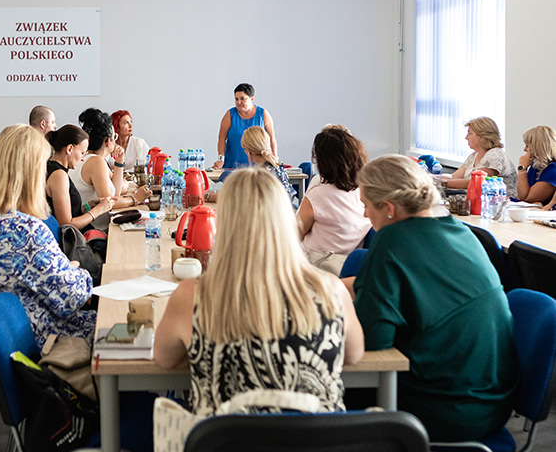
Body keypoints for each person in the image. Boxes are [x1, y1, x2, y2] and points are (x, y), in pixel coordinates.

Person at [154, 168, 363, 414]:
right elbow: (354, 355)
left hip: (223, 441)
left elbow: (164, 358)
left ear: (224, 225)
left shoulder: (194, 296)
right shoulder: (331, 291)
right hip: (319, 442)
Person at [352, 154, 517, 442]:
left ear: (389, 208)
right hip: (491, 404)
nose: (365, 215)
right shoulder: (462, 232)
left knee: (319, 391)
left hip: (439, 410)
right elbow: (421, 285)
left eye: (366, 206)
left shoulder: (393, 240)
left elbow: (373, 339)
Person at [0, 124, 96, 347]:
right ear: (32, 171)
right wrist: (76, 270)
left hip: (8, 337)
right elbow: (74, 298)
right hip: (48, 339)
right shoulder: (27, 230)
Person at [297, 125, 372, 275]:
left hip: (311, 267)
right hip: (347, 267)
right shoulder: (366, 192)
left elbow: (292, 234)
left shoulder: (319, 193)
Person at [70, 108, 149, 231]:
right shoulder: (96, 162)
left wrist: (119, 161)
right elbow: (109, 203)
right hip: (96, 230)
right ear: (108, 141)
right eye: (114, 136)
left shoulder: (93, 159)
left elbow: (115, 193)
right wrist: (135, 199)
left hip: (98, 226)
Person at [46, 124, 116, 232]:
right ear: (69, 149)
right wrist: (99, 210)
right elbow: (66, 224)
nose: (83, 159)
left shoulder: (54, 169)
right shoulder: (59, 175)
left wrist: (89, 206)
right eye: (82, 153)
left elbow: (67, 212)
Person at [440, 117, 517, 196]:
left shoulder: (495, 155)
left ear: (482, 136)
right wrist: (432, 178)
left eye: (470, 133)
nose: (466, 137)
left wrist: (441, 183)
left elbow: (475, 182)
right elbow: (454, 176)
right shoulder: (473, 156)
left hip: (500, 203)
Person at [213, 83, 276, 170]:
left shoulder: (263, 114)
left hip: (258, 166)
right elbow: (221, 139)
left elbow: (271, 139)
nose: (239, 102)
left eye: (242, 99)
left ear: (252, 99)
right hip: (232, 165)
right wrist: (221, 160)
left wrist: (275, 159)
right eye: (236, 99)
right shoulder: (229, 115)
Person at [516, 125, 556, 203]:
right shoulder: (536, 165)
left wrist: (522, 169)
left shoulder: (553, 170)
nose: (524, 150)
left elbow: (526, 198)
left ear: (538, 146)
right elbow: (520, 196)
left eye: (527, 146)